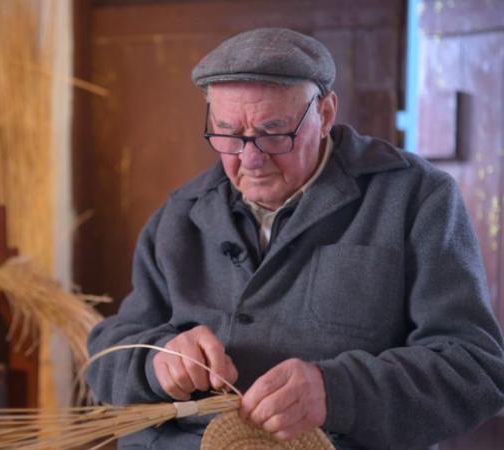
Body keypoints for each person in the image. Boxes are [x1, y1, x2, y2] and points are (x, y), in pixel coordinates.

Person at [85, 27, 504, 450]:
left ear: (324, 114)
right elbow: (106, 357)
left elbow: (475, 370)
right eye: (228, 132)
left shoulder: (415, 198)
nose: (250, 158)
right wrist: (156, 361)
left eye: (273, 132)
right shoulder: (180, 215)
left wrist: (337, 391)